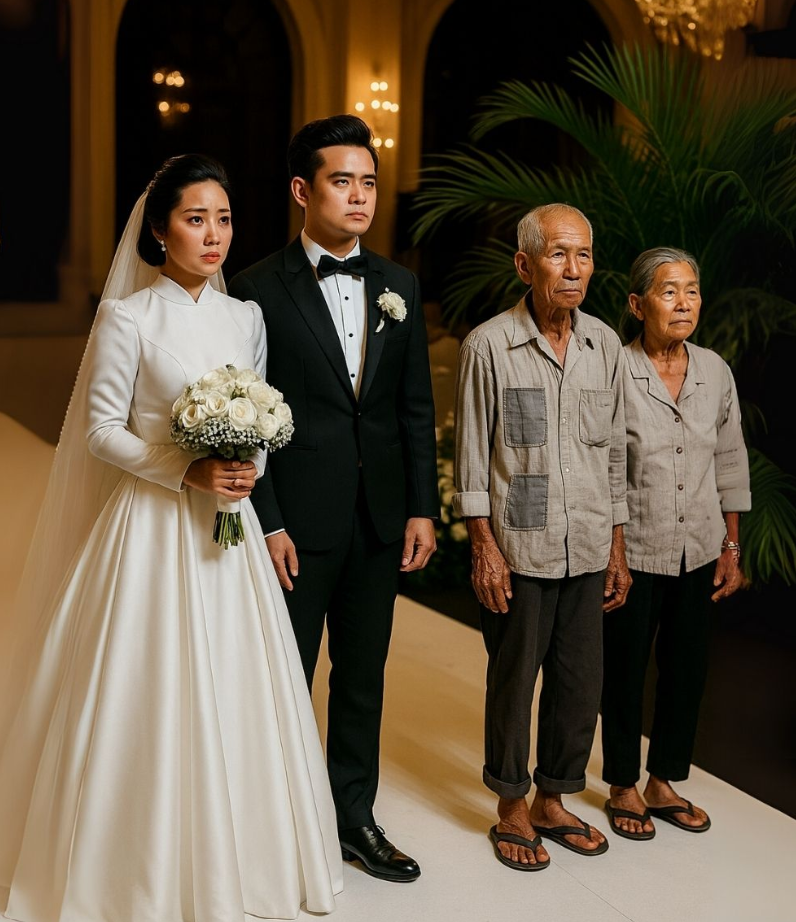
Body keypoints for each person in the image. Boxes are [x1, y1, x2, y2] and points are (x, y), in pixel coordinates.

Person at [0, 154, 342, 921]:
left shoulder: (245, 317)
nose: (213, 235)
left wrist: (245, 463)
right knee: (141, 683)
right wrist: (185, 471)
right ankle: (132, 867)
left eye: (223, 219)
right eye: (194, 219)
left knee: (239, 680)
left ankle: (244, 858)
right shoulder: (128, 318)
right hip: (150, 527)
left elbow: (259, 417)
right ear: (158, 231)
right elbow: (100, 433)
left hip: (228, 534)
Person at [228, 114, 439, 883]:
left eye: (368, 182)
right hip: (295, 524)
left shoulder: (399, 285)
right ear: (301, 190)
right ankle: (270, 826)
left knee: (361, 678)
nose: (359, 196)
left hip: (379, 518)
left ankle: (354, 819)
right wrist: (268, 522)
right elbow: (247, 417)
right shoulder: (256, 289)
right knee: (281, 677)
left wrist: (421, 507)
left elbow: (412, 408)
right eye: (341, 181)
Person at [452, 203, 632, 872]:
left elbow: (613, 455)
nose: (573, 268)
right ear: (525, 265)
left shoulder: (604, 345)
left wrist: (617, 546)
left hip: (588, 541)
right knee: (513, 680)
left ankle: (554, 799)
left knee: (580, 681)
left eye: (583, 255)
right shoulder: (488, 345)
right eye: (558, 254)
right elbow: (473, 459)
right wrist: (483, 547)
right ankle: (510, 804)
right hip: (519, 542)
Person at [600, 247, 751, 840]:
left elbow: (731, 460)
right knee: (624, 669)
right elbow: (608, 465)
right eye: (669, 291)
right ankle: (622, 783)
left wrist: (731, 547)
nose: (684, 302)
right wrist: (613, 552)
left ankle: (663, 780)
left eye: (691, 290)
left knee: (686, 669)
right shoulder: (616, 367)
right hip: (635, 549)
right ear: (638, 305)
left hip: (701, 546)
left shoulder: (715, 370)